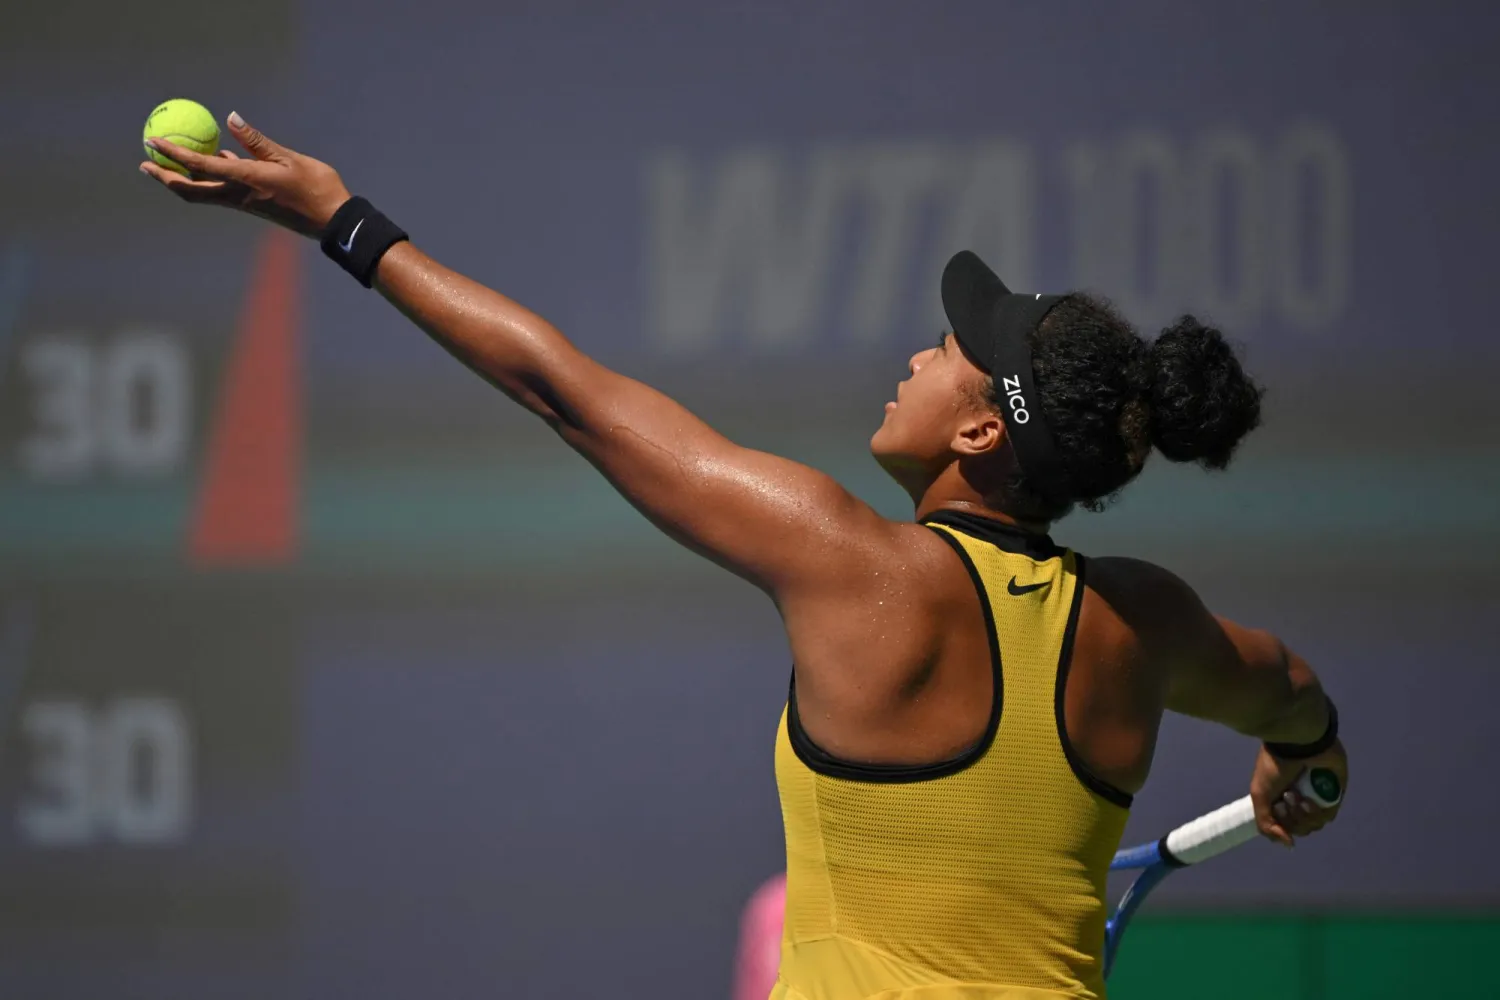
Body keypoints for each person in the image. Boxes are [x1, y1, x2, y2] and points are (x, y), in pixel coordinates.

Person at [142, 117, 1347, 1000]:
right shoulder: (1144, 626)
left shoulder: (851, 562)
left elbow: (567, 394)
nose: (918, 360)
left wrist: (341, 223)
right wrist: (1306, 766)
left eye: (946, 356)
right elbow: (1294, 693)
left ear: (983, 431)